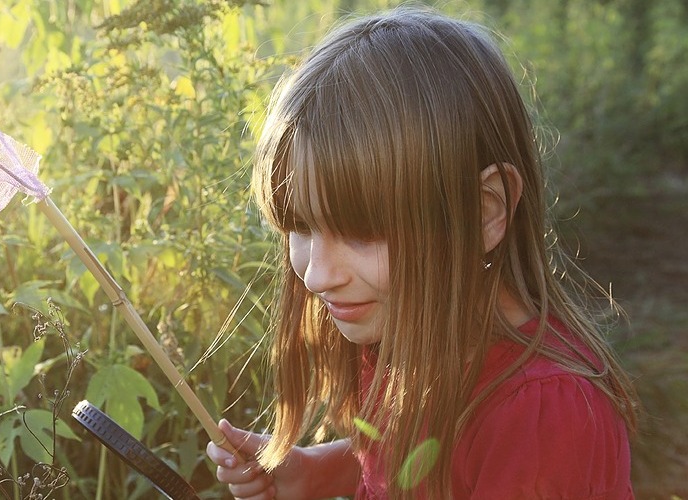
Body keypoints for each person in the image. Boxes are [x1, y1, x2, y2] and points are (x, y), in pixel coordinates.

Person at [205, 6, 639, 499]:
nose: (317, 276)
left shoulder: (545, 422)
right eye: (299, 226)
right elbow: (419, 454)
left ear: (483, 212)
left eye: (361, 230)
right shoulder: (416, 335)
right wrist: (316, 471)